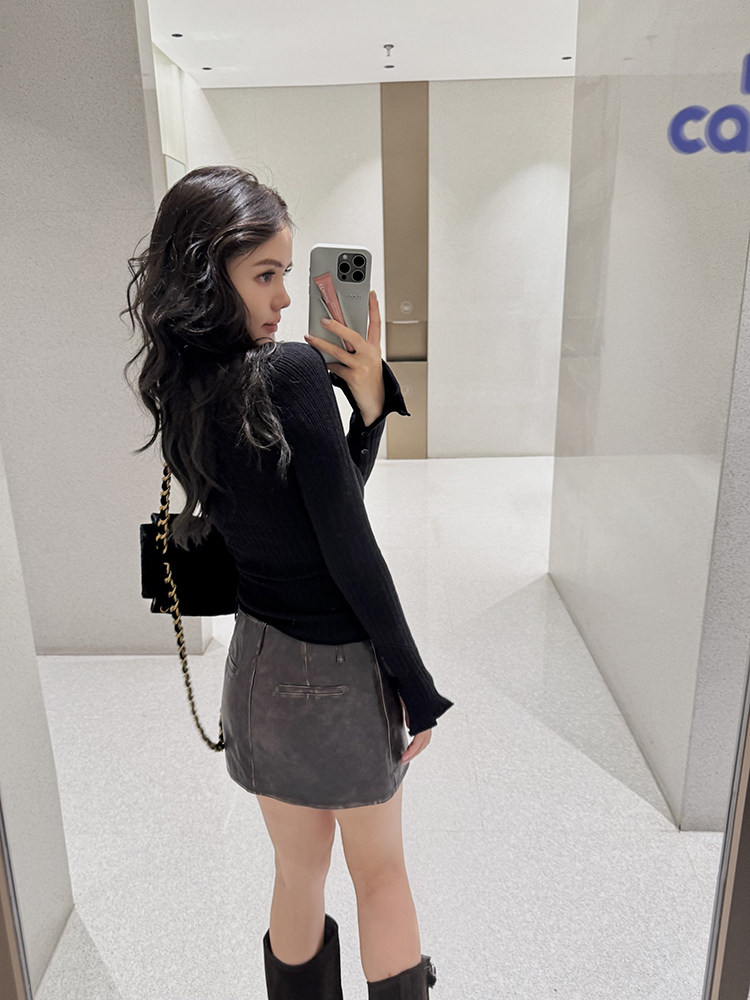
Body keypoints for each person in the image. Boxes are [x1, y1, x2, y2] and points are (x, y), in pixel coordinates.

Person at [123, 165, 453, 1000]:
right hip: (337, 668)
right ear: (211, 273)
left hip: (258, 667)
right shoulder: (292, 373)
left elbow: (313, 511)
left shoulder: (184, 383)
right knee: (381, 873)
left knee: (297, 872)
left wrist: (364, 413)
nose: (281, 297)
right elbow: (348, 545)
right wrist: (416, 684)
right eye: (264, 274)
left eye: (285, 272)